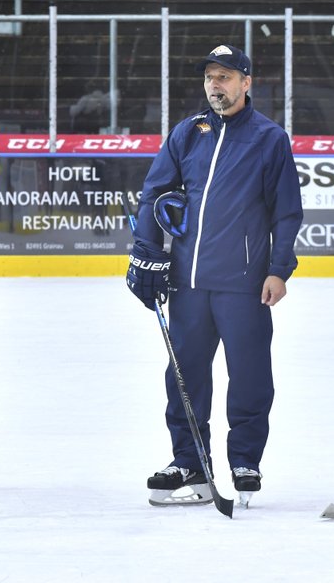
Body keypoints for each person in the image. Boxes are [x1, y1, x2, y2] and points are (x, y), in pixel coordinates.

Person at [126, 44, 303, 507]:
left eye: (225, 76)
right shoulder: (188, 133)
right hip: (187, 282)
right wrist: (147, 253)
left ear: (246, 83)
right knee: (184, 374)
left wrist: (279, 269)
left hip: (244, 283)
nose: (215, 85)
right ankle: (188, 460)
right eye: (210, 76)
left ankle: (244, 459)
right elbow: (153, 194)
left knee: (248, 375)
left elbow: (287, 213)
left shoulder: (269, 138)